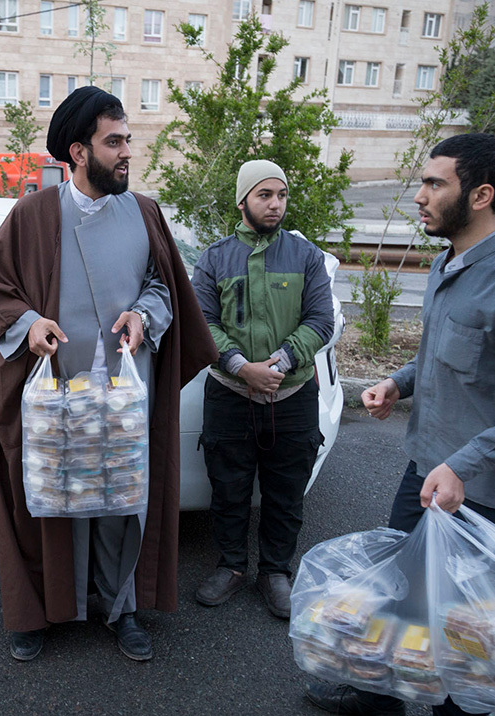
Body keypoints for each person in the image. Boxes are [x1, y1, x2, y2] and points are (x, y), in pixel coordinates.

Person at [304, 134, 495, 715]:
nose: (420, 197)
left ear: (480, 195)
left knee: (464, 627)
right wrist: (399, 383)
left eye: (434, 184)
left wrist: (463, 464)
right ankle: (381, 699)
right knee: (401, 598)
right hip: (427, 468)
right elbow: (440, 351)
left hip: (487, 493)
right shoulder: (445, 262)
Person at [0, 86, 216, 662]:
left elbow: (164, 288)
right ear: (79, 152)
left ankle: (121, 605)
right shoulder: (34, 214)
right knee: (49, 499)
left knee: (122, 498)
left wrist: (145, 314)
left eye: (128, 139)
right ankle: (39, 610)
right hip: (56, 394)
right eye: (114, 142)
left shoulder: (145, 212)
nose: (126, 152)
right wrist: (28, 324)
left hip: (123, 395)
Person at [190, 160, 333, 618]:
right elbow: (203, 324)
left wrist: (284, 359)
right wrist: (239, 366)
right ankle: (231, 566)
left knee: (286, 490)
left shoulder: (305, 256)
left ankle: (276, 571)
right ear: (242, 200)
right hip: (230, 394)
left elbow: (321, 320)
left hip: (291, 395)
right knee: (228, 486)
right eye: (264, 195)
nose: (275, 204)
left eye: (282, 195)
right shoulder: (214, 258)